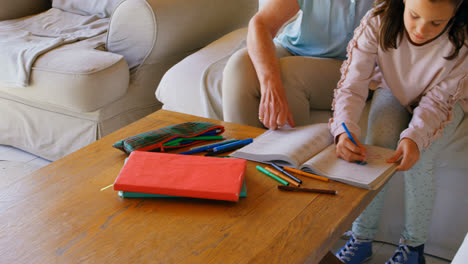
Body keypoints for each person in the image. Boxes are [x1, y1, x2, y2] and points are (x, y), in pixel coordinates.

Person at [330, 0, 468, 263]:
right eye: (414, 16)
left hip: (447, 101)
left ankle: (413, 248)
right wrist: (343, 129)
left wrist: (414, 137)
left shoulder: (461, 40)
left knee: (420, 158)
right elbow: (352, 84)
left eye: (436, 23)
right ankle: (361, 239)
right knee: (376, 147)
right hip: (394, 89)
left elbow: (437, 103)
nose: (420, 30)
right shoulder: (378, 22)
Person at [222, 0, 375, 130]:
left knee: (289, 74)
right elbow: (261, 23)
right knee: (239, 66)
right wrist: (269, 83)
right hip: (295, 48)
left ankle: (287, 159)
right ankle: (242, 156)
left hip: (353, 65)